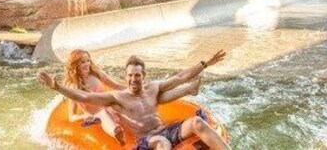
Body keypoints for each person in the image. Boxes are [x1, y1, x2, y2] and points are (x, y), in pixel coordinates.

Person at [39, 50, 229, 150]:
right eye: (130, 75)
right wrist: (56, 86)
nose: (133, 79)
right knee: (163, 144)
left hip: (166, 130)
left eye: (137, 75)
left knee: (197, 122)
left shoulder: (153, 88)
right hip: (148, 139)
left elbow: (181, 76)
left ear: (143, 75)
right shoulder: (117, 98)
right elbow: (84, 96)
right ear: (126, 77)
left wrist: (205, 63)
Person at [64, 49, 202, 145]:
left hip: (110, 106)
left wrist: (134, 92)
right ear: (75, 65)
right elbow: (72, 116)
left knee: (146, 98)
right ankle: (116, 134)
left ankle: (187, 90)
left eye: (88, 60)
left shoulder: (96, 74)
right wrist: (85, 116)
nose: (87, 64)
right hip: (96, 116)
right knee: (102, 113)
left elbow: (116, 85)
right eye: (82, 62)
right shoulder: (73, 87)